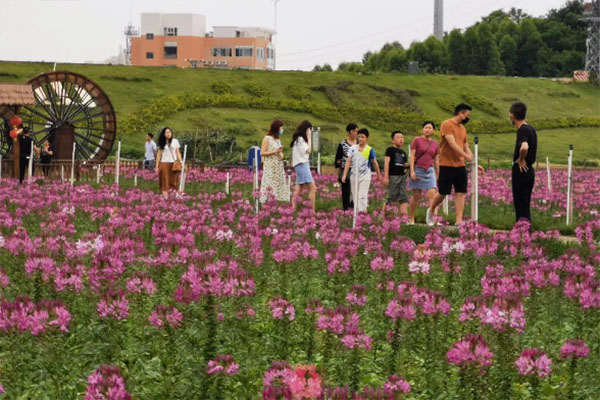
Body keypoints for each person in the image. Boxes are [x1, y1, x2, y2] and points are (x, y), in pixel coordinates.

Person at [427, 104, 474, 226]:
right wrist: (465, 155)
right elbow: (452, 143)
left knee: (461, 192)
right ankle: (431, 209)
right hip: (446, 164)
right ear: (460, 113)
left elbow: (465, 145)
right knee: (443, 192)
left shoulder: (463, 128)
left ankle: (459, 220)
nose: (468, 117)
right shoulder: (447, 124)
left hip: (460, 165)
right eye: (467, 115)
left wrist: (470, 155)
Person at [341, 128, 381, 213]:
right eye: (359, 137)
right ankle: (357, 215)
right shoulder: (352, 148)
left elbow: (374, 162)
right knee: (355, 197)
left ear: (367, 138)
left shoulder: (369, 149)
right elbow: (348, 162)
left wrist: (378, 174)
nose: (360, 139)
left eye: (362, 137)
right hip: (354, 176)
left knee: (362, 196)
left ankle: (362, 214)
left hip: (365, 176)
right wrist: (344, 175)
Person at [510, 101, 537, 225]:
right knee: (525, 202)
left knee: (520, 202)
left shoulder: (522, 130)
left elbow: (524, 146)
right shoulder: (531, 128)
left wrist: (521, 159)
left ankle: (522, 230)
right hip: (529, 170)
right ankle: (526, 228)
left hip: (521, 170)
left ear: (512, 116)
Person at [408, 121, 440, 224]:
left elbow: (436, 159)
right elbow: (412, 156)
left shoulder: (435, 144)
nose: (427, 129)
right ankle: (411, 218)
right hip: (418, 169)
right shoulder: (417, 140)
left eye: (430, 128)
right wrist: (412, 171)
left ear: (433, 131)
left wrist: (437, 173)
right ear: (423, 129)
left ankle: (433, 219)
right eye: (426, 127)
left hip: (429, 170)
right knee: (417, 195)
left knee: (433, 194)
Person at [291, 120, 316, 213]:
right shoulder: (300, 139)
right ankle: (311, 210)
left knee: (299, 187)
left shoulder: (299, 139)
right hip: (302, 165)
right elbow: (308, 150)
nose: (310, 131)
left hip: (302, 164)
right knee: (313, 188)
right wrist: (309, 138)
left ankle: (293, 208)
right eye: (309, 129)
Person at [260, 120, 288, 203]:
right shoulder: (267, 138)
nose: (282, 130)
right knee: (269, 183)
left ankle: (279, 201)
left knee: (279, 184)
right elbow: (262, 153)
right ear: (276, 128)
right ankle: (266, 201)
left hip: (278, 166)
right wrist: (274, 152)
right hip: (270, 166)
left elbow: (280, 153)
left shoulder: (277, 140)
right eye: (281, 128)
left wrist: (280, 153)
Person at [383, 131, 409, 216]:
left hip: (402, 176)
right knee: (392, 195)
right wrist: (386, 177)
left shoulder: (403, 152)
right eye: (398, 137)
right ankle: (385, 215)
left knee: (403, 195)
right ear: (393, 140)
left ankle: (404, 217)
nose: (401, 139)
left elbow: (404, 164)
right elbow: (386, 163)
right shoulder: (390, 150)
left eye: (402, 138)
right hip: (393, 175)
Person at [335, 123, 358, 210]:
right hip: (345, 170)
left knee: (356, 190)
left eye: (356, 131)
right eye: (353, 131)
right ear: (348, 132)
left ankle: (353, 206)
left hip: (356, 170)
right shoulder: (342, 144)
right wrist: (339, 171)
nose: (355, 133)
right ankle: (346, 208)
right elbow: (338, 158)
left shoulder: (359, 143)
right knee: (346, 190)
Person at [155, 127, 183, 198]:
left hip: (174, 164)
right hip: (164, 164)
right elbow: (158, 155)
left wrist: (181, 162)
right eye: (166, 132)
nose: (168, 134)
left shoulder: (175, 141)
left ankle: (175, 197)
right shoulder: (162, 142)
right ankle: (165, 198)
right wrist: (156, 166)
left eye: (169, 132)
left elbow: (178, 153)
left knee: (174, 181)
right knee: (165, 181)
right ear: (164, 134)